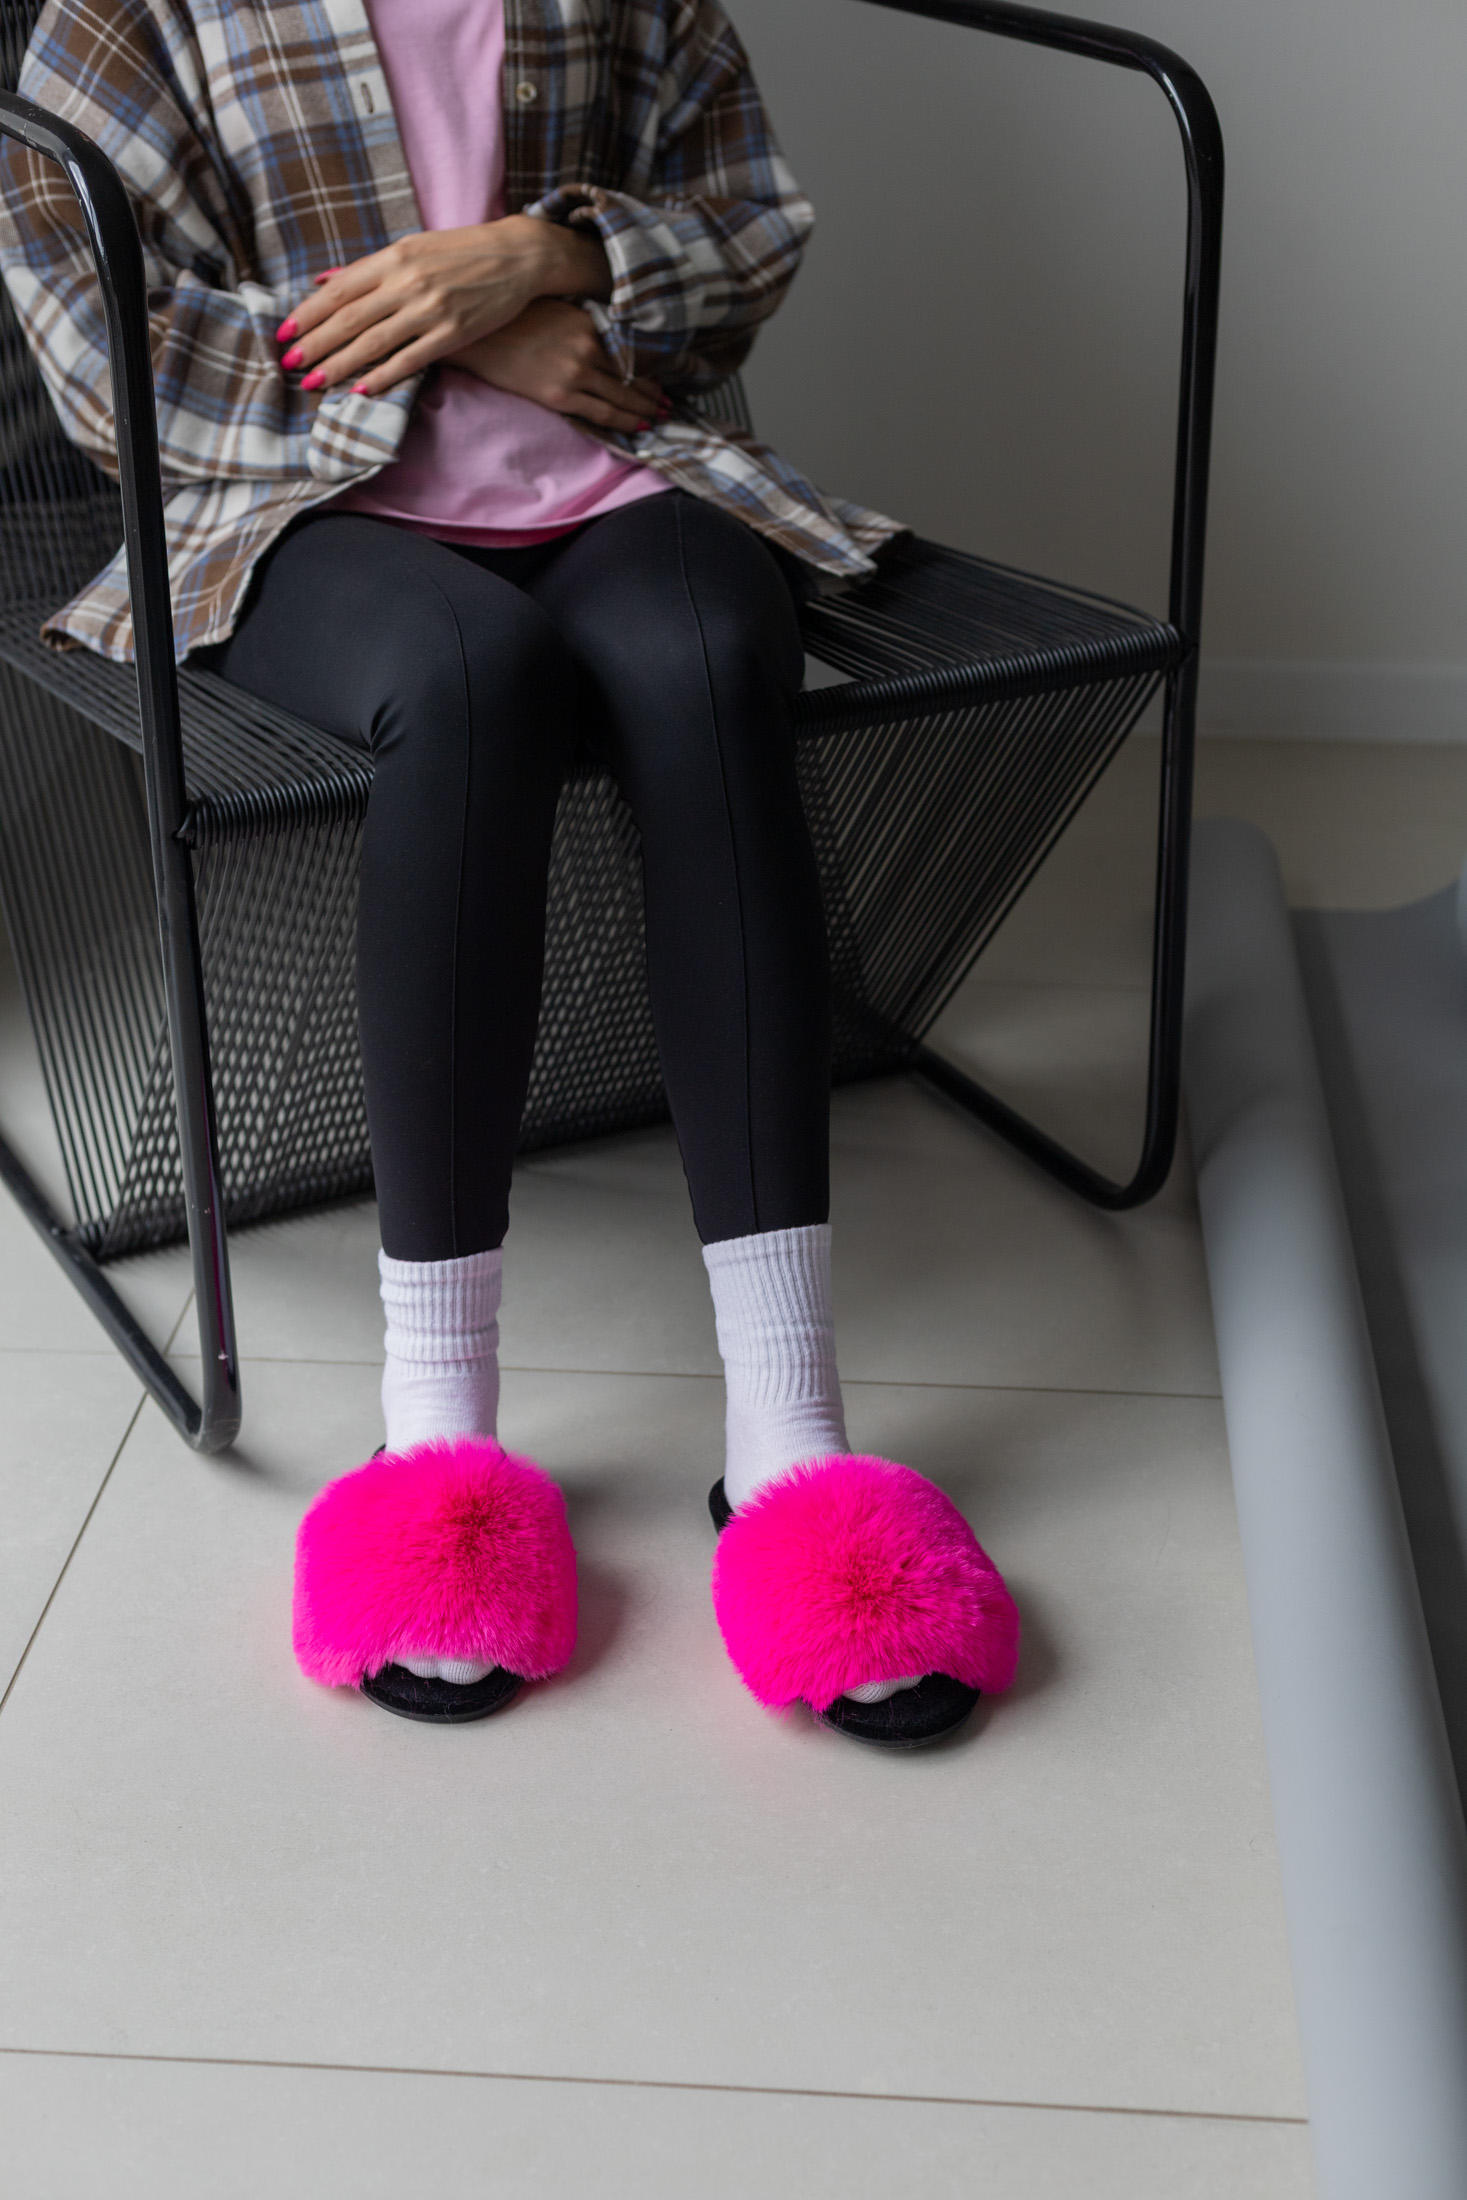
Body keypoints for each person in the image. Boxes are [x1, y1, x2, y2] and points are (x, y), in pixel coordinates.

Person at [0, 0, 1018, 1745]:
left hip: (623, 479)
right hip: (302, 517)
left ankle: (792, 1442)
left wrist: (549, 256)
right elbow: (98, 351)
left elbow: (748, 224)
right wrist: (464, 333)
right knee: (474, 685)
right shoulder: (135, 10)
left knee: (714, 663)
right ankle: (438, 1435)